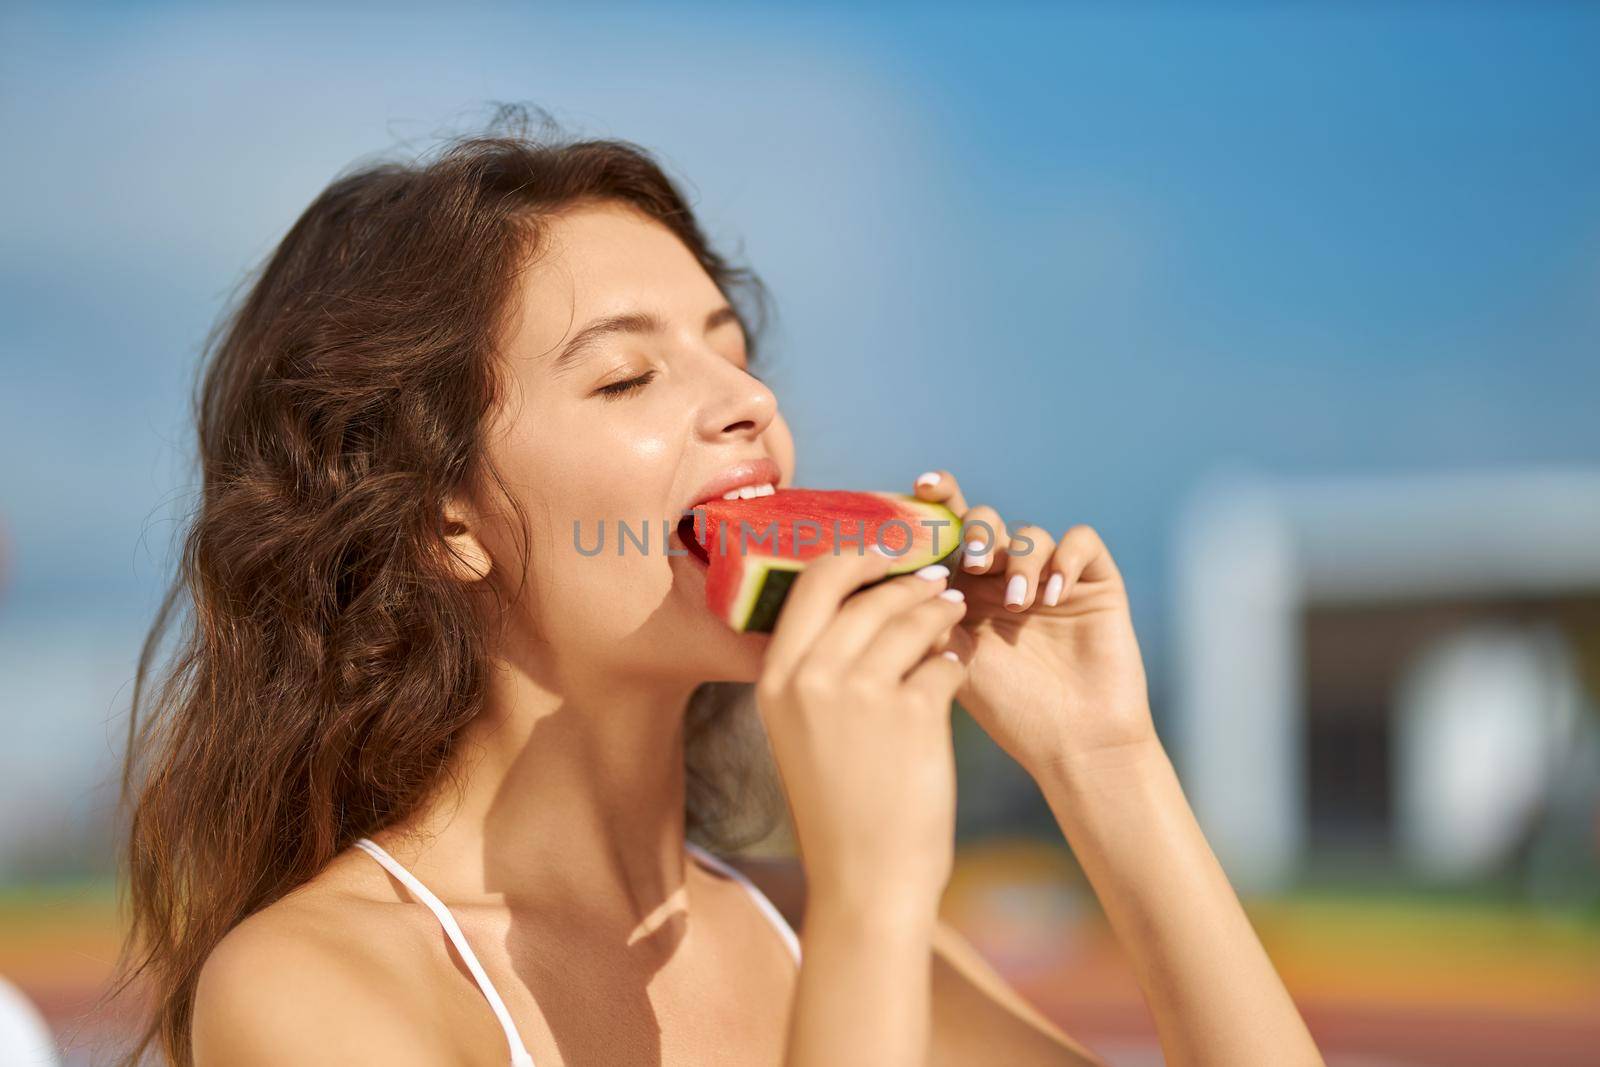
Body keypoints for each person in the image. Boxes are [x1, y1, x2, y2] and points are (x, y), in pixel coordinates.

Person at [111, 110, 1323, 1066]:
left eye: (732, 353)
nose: (749, 404)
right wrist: (869, 903)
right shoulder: (314, 984)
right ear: (447, 522)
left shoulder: (805, 918)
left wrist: (1103, 760)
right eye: (627, 377)